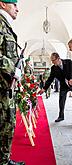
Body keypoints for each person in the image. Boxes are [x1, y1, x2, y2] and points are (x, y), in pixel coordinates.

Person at [0, 0, 25, 164]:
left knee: (7, 126)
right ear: (2, 4)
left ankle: (4, 159)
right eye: (13, 4)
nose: (17, 8)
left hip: (6, 88)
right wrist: (12, 69)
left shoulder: (6, 26)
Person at [38, 52, 72, 122]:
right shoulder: (53, 68)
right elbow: (50, 79)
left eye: (53, 60)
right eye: (52, 61)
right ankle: (61, 116)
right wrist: (44, 89)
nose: (52, 62)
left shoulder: (68, 62)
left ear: (58, 58)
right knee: (61, 101)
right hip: (63, 85)